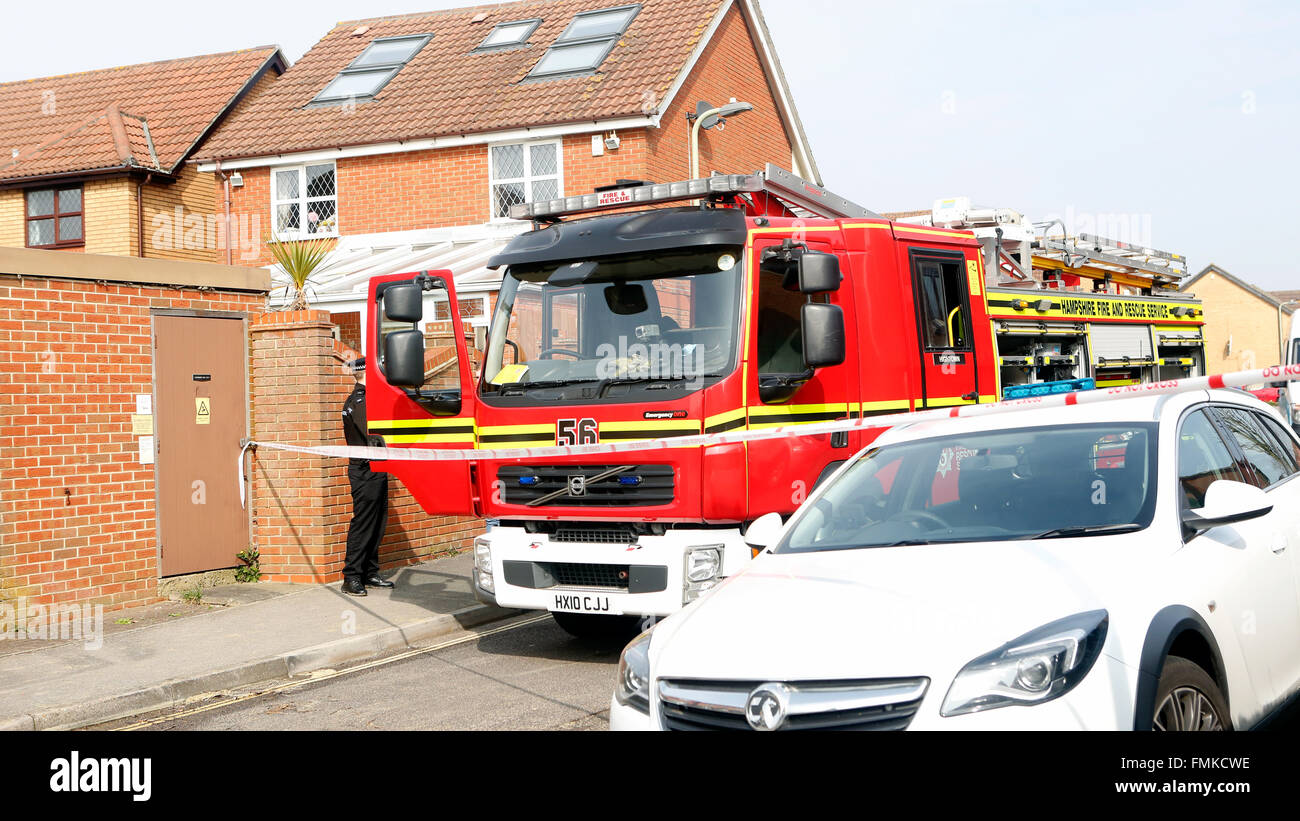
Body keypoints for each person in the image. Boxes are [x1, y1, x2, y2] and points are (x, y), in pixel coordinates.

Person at [341, 357, 394, 597]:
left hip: (375, 467)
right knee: (364, 522)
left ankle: (370, 572)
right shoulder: (360, 400)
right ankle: (351, 576)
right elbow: (372, 431)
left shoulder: (365, 398)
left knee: (378, 521)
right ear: (366, 374)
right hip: (364, 469)